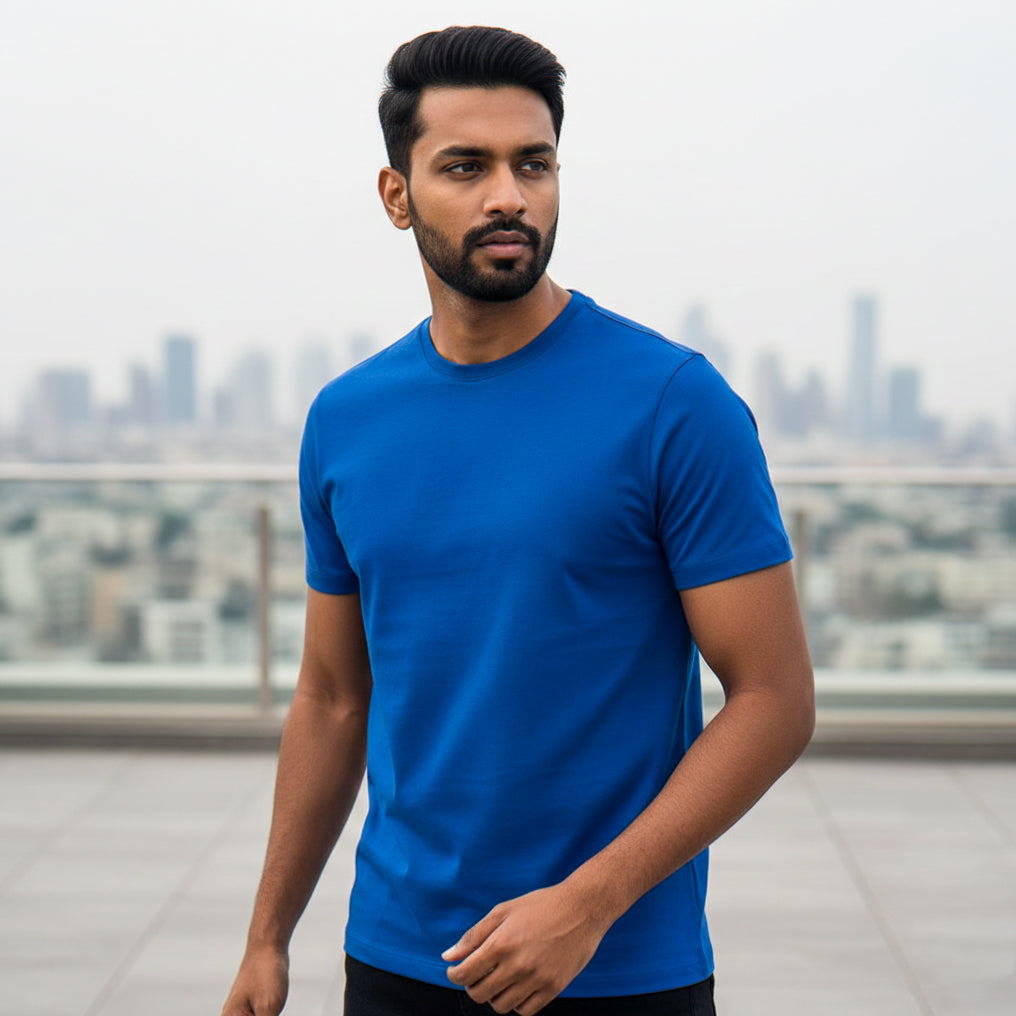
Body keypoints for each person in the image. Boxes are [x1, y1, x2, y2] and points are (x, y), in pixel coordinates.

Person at [222, 25, 814, 1016]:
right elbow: (331, 697)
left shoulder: (672, 401)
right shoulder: (345, 418)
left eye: (532, 163)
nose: (509, 194)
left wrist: (588, 902)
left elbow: (772, 697)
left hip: (615, 968)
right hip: (398, 960)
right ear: (395, 195)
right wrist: (265, 936)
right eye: (465, 166)